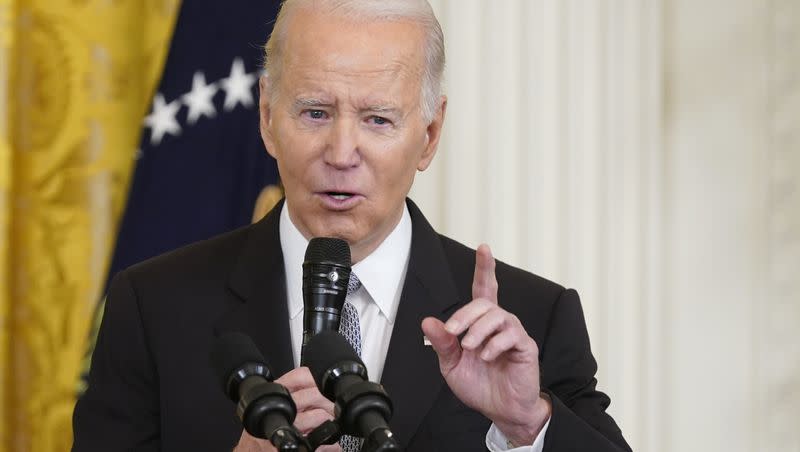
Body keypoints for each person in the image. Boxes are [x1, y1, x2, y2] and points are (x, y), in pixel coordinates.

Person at [72, 1, 631, 451]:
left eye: (377, 119)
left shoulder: (530, 321)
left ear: (429, 134)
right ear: (267, 117)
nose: (341, 152)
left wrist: (528, 426)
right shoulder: (154, 307)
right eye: (315, 112)